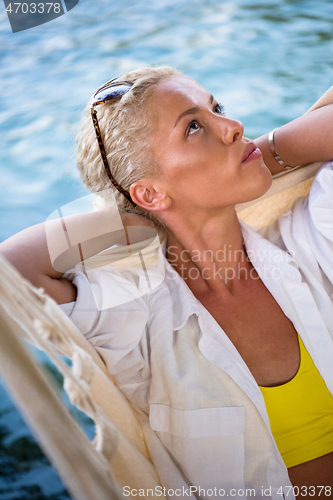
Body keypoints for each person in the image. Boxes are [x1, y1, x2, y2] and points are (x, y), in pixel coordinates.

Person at [1, 66, 333, 499]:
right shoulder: (134, 321)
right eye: (194, 127)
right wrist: (135, 223)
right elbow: (9, 272)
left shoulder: (307, 241)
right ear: (150, 194)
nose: (234, 127)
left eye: (218, 110)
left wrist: (261, 155)